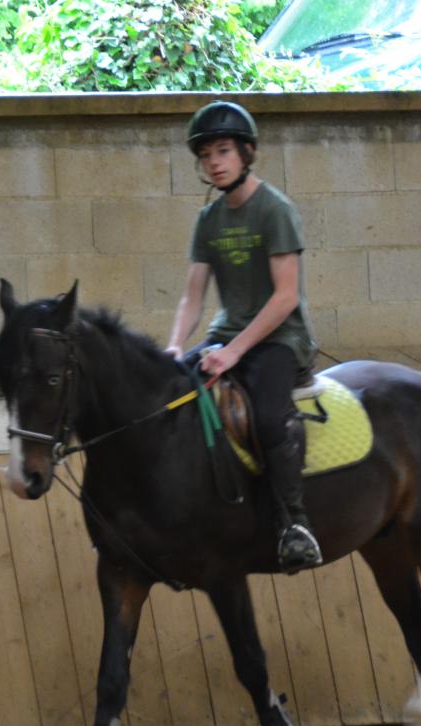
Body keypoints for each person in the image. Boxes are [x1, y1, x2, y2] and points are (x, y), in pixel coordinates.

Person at [163, 100, 322, 573]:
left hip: (279, 340)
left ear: (247, 153)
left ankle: (294, 526)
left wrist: (233, 352)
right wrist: (175, 346)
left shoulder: (274, 210)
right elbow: (193, 297)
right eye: (206, 154)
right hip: (224, 337)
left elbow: (285, 297)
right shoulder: (208, 221)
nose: (214, 161)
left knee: (271, 420)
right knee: (169, 399)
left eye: (224, 151)